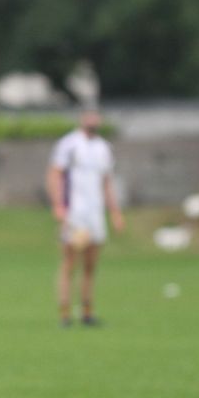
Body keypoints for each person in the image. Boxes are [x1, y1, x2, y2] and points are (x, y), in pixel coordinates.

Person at [46, 110, 124, 327]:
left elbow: (106, 182)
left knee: (91, 264)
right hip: (75, 212)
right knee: (70, 262)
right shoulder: (69, 145)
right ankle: (64, 311)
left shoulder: (104, 148)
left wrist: (115, 212)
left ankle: (87, 311)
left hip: (95, 213)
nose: (93, 120)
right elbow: (55, 175)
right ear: (82, 118)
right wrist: (58, 205)